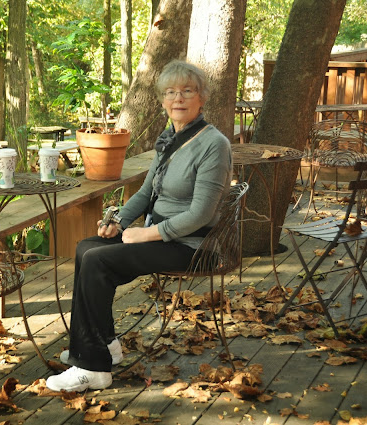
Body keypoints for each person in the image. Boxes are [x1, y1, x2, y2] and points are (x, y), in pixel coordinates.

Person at [46, 59, 233, 392]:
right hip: (160, 238)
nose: (178, 98)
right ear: (162, 100)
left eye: (187, 91)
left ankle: (93, 368)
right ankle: (104, 345)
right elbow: (147, 192)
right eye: (171, 92)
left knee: (98, 260)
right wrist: (118, 222)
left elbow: (201, 214)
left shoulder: (214, 144)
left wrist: (146, 233)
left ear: (202, 97)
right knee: (87, 247)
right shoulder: (170, 137)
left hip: (192, 246)